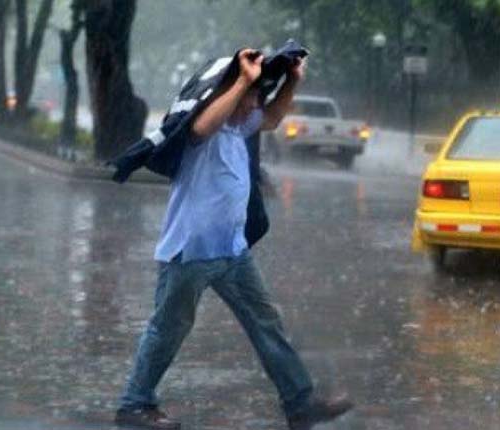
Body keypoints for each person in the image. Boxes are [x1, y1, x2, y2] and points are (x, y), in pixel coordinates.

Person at [114, 49, 353, 430]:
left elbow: (274, 118)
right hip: (190, 252)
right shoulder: (204, 129)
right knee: (168, 328)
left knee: (266, 321)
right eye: (252, 97)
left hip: (233, 252)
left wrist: (291, 80)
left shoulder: (239, 129)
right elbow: (199, 127)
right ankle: (135, 404)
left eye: (258, 96)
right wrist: (242, 79)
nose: (257, 104)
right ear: (229, 94)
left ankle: (300, 403)